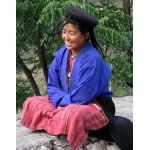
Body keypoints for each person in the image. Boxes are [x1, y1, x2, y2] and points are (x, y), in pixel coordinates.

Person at [20, 6, 133, 150]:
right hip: (65, 100)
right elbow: (52, 84)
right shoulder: (62, 53)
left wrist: (61, 104)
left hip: (93, 103)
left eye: (72, 33)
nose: (66, 37)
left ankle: (61, 119)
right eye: (64, 32)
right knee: (31, 102)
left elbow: (84, 94)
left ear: (86, 35)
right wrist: (60, 101)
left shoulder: (92, 58)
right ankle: (61, 118)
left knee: (73, 114)